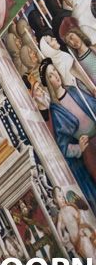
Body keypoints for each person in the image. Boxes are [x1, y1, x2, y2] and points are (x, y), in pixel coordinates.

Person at [40, 59, 96, 210]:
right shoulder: (56, 110)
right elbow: (64, 146)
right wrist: (79, 147)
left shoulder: (72, 90)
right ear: (48, 81)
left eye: (55, 71)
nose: (56, 76)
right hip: (90, 149)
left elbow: (92, 105)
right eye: (50, 75)